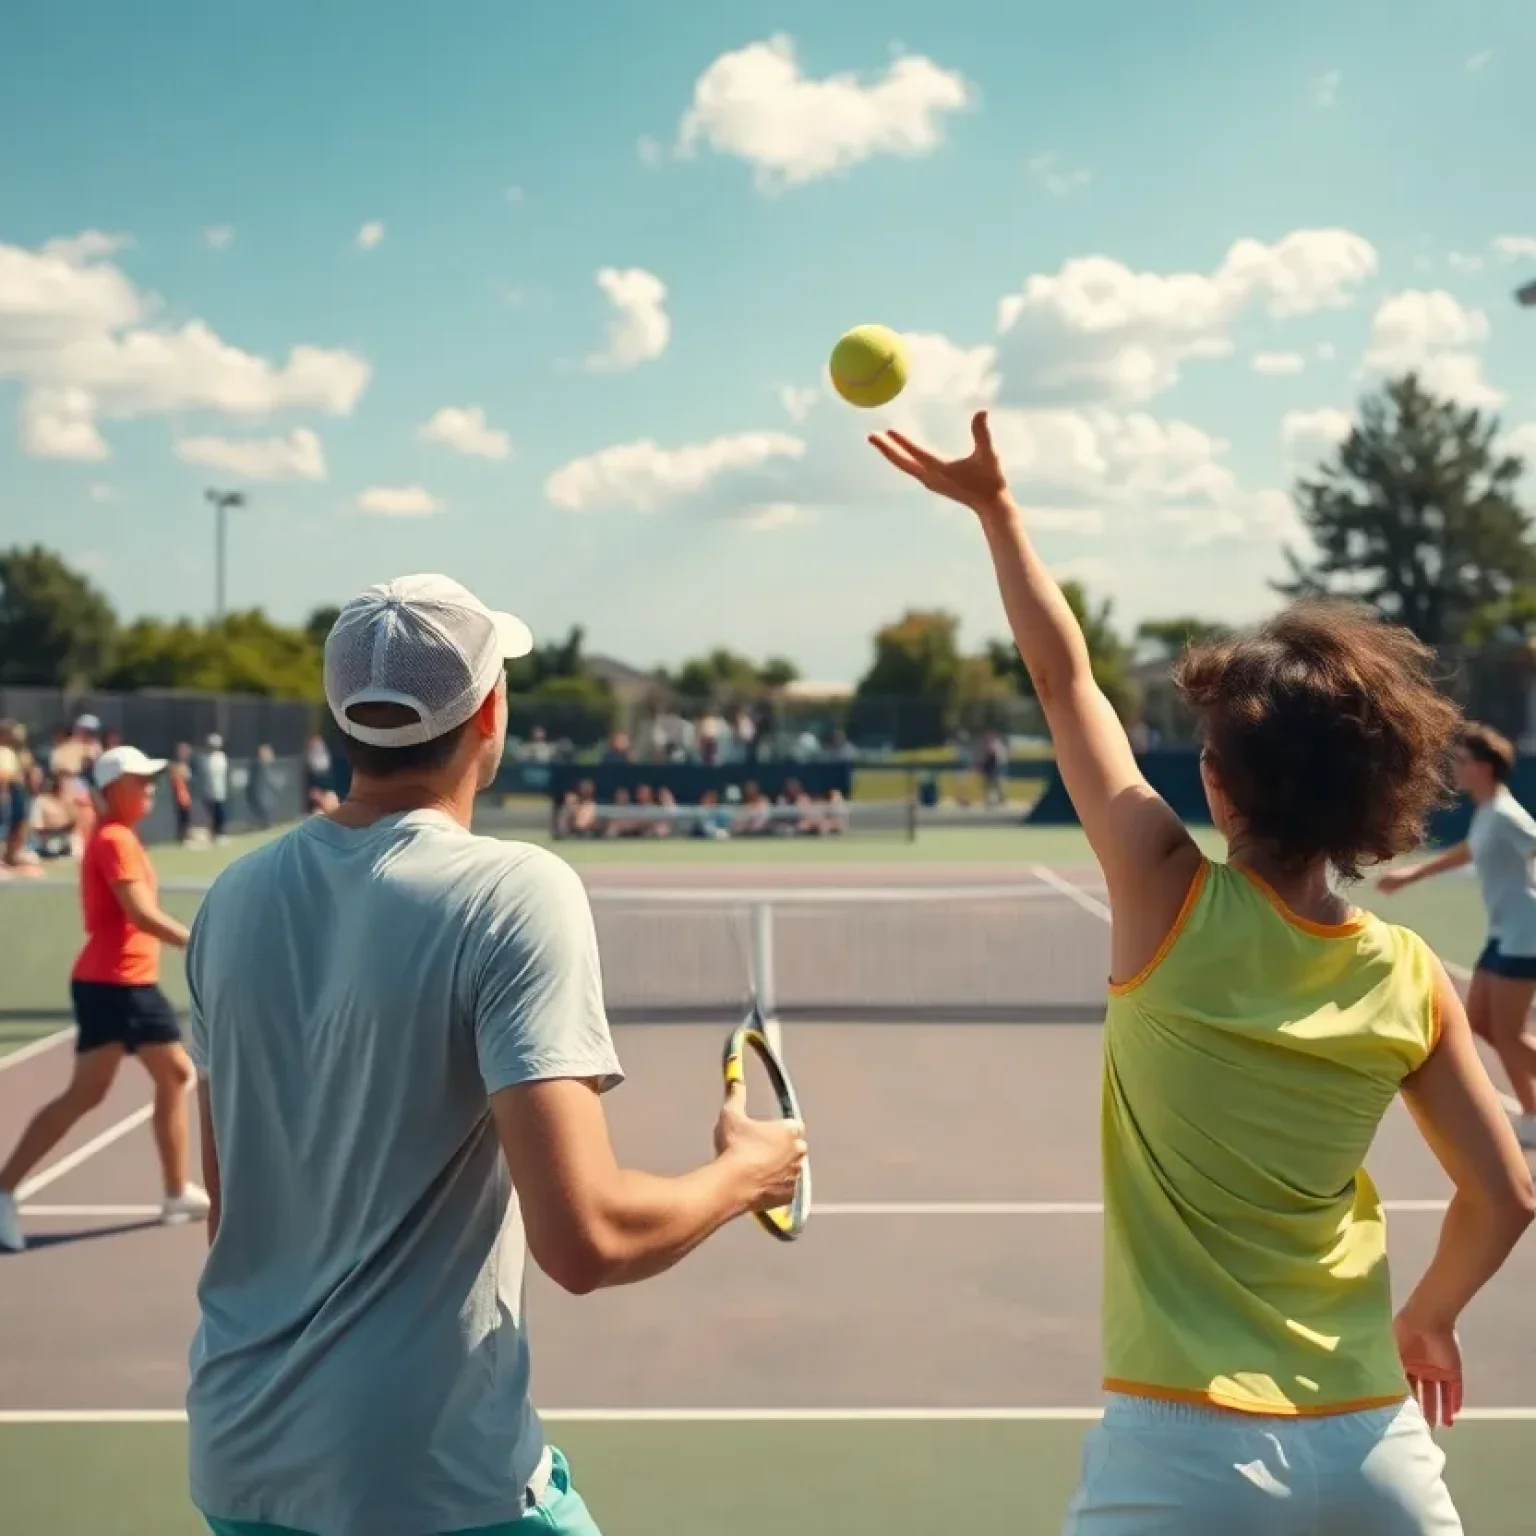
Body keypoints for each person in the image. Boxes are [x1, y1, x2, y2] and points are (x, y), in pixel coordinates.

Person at [871, 412, 1535, 1535]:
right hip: (1379, 1450)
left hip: (1183, 1458)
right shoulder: (1409, 974)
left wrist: (997, 511)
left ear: (1219, 788)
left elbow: (1058, 674)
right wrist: (1427, 1317)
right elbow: (1507, 1195)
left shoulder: (1164, 893)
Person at [183, 573, 805, 1536]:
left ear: (344, 720)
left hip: (241, 1466)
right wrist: (742, 1175)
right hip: (429, 1478)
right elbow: (586, 1238)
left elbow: (236, 1211)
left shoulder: (230, 901)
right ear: (488, 712)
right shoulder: (515, 894)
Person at [0, 745, 211, 1254]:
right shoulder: (115, 839)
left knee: (110, 1088)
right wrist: (200, 941)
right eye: (141, 782)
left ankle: (174, 1191)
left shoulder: (121, 837)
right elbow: (139, 913)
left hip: (118, 983)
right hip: (119, 984)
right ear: (113, 788)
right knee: (167, 1076)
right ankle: (5, 1189)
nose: (150, 789)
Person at [1378, 723, 1536, 1148]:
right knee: (1482, 1023)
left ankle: (1533, 1114)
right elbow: (1468, 851)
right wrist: (1413, 874)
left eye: (1463, 760)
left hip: (1526, 935)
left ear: (1484, 767)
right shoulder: (1488, 814)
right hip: (1504, 933)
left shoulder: (1507, 815)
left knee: (1508, 1032)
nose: (1456, 767)